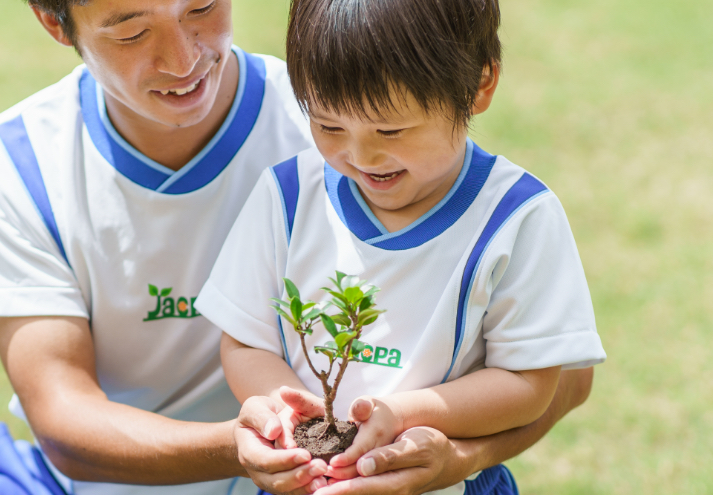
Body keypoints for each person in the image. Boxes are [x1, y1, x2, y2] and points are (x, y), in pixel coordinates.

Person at [0, 0, 598, 494]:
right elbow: (63, 419)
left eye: (202, 7)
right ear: (56, 22)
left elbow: (559, 374)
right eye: (131, 29)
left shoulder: (338, 111)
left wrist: (452, 456)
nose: (182, 58)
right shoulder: (8, 164)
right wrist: (284, 443)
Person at [194, 0, 607, 493]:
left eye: (391, 130)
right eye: (329, 126)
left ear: (479, 84)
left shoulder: (516, 217)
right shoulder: (286, 196)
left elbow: (528, 384)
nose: (361, 156)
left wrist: (405, 415)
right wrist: (284, 412)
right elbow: (245, 340)